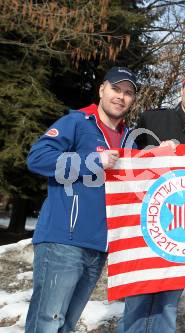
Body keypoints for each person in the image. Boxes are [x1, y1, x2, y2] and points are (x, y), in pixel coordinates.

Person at [25, 66, 137, 332]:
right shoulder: (76, 122)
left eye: (128, 93)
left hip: (98, 246)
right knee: (47, 322)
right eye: (115, 89)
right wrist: (92, 161)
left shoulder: (129, 138)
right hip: (63, 240)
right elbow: (37, 159)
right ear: (102, 90)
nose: (120, 97)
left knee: (66, 325)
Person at [117, 68, 185, 333]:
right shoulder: (152, 119)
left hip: (182, 232)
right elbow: (127, 162)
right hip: (146, 224)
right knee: (138, 299)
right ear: (182, 90)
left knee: (167, 304)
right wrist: (153, 153)